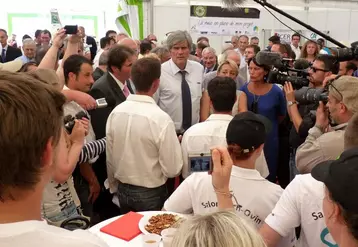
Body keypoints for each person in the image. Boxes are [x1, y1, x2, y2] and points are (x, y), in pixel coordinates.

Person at [0, 72, 108, 247]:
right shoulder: (84, 244)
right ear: (47, 154)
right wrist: (77, 141)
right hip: (60, 210)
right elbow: (63, 171)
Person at [106, 58, 183, 213]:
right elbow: (173, 169)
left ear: (132, 80)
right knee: (151, 236)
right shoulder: (160, 119)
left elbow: (110, 157)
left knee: (128, 235)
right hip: (151, 192)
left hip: (122, 189)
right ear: (156, 83)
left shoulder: (115, 112)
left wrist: (114, 186)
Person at [179, 77, 267, 179]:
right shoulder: (250, 133)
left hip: (200, 190)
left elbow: (186, 174)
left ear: (210, 102)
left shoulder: (190, 134)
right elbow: (260, 172)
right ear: (235, 100)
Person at [296, 75, 358, 173]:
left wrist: (318, 127)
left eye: (329, 101)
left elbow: (301, 161)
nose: (327, 105)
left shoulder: (332, 141)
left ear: (342, 107)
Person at [241, 57, 286, 182]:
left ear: (265, 71)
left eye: (256, 69)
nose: (252, 72)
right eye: (250, 68)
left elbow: (281, 115)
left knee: (268, 175)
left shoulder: (276, 91)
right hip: (248, 139)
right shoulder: (242, 90)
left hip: (269, 140)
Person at [154, 30, 204, 134]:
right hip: (168, 133)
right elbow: (154, 106)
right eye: (176, 48)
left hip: (194, 133)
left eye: (184, 48)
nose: (180, 52)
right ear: (169, 50)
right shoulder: (159, 72)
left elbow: (202, 99)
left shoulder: (198, 69)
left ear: (189, 49)